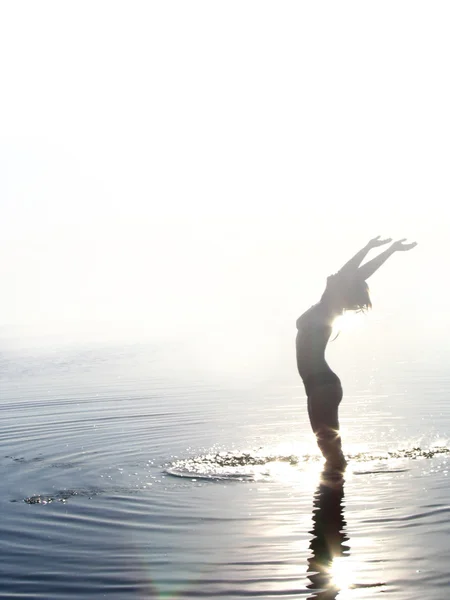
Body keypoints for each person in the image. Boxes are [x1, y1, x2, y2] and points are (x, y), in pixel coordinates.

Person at [296, 236, 417, 470]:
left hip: (323, 385)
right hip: (316, 386)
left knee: (331, 451)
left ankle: (335, 496)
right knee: (327, 450)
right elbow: (351, 275)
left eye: (338, 279)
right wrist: (383, 249)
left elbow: (352, 273)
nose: (332, 276)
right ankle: (333, 496)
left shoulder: (328, 306)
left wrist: (371, 248)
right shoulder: (327, 305)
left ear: (341, 289)